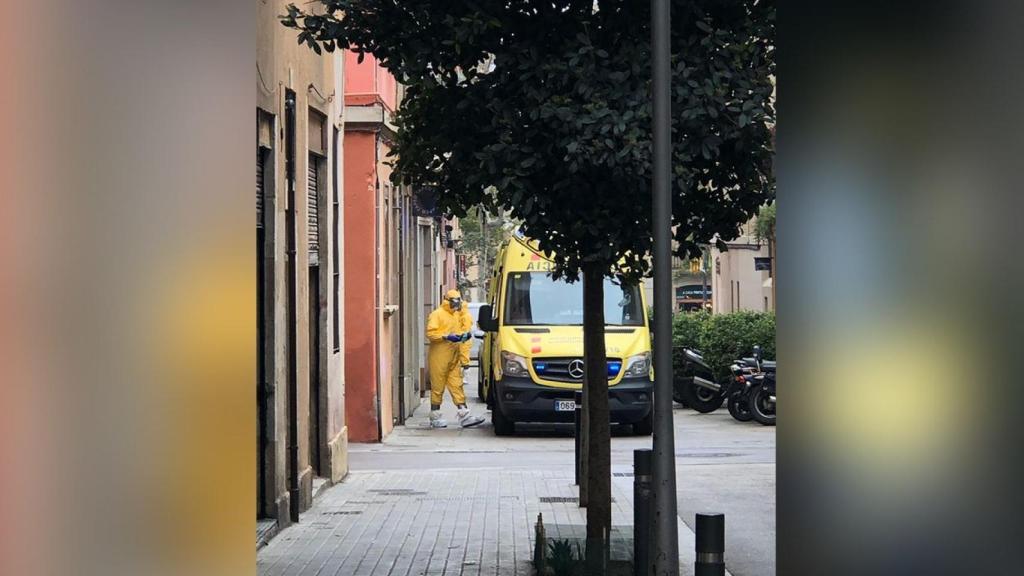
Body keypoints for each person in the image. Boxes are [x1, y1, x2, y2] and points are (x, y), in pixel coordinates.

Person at [425, 290, 485, 428]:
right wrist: (445, 336)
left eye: (458, 301)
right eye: (454, 301)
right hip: (439, 356)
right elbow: (431, 333)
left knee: (457, 385)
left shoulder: (456, 315)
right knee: (438, 386)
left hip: (453, 355)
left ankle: (464, 414)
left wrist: (464, 336)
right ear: (447, 301)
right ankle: (435, 416)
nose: (456, 304)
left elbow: (461, 330)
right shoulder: (437, 314)